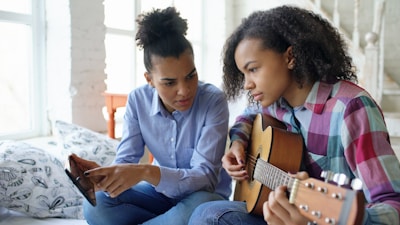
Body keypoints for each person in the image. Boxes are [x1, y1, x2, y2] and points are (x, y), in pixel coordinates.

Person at [189, 5, 400, 225]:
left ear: (290, 57)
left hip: (330, 218)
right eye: (243, 74)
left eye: (253, 69)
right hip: (280, 215)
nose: (246, 84)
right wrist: (237, 143)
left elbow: (393, 205)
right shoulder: (274, 103)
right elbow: (247, 116)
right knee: (206, 213)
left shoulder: (350, 110)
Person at [82, 7, 232, 225]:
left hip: (202, 198)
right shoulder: (137, 100)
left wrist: (146, 171)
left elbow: (206, 179)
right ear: (149, 79)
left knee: (198, 213)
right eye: (169, 82)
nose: (185, 90)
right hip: (159, 195)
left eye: (191, 76)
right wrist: (107, 177)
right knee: (97, 205)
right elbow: (126, 160)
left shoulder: (213, 101)